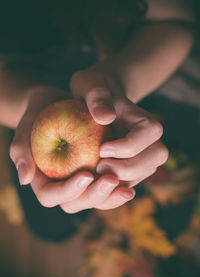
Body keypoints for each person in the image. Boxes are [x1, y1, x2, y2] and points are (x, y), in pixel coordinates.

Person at [0, 0, 195, 214]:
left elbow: (179, 22)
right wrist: (28, 102)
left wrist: (116, 82)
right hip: (25, 87)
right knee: (50, 226)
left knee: (176, 210)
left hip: (131, 68)